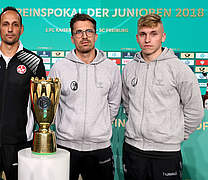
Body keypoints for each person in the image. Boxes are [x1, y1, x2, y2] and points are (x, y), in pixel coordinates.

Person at [121, 13, 204, 180]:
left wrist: (175, 134)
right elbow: (127, 103)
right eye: (143, 34)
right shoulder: (129, 68)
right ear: (137, 38)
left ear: (163, 37)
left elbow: (195, 110)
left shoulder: (179, 69)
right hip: (133, 150)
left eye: (153, 34)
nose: (147, 40)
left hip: (166, 153)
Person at [0, 6, 46, 180]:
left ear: (22, 29)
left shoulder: (34, 62)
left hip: (20, 142)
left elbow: (40, 103)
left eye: (15, 24)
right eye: (5, 24)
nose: (10, 29)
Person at [48, 13, 122, 180]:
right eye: (78, 32)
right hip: (65, 147)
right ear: (72, 38)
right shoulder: (59, 68)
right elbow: (53, 106)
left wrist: (98, 128)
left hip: (100, 147)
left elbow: (114, 104)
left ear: (95, 35)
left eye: (89, 31)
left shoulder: (111, 68)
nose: (84, 36)